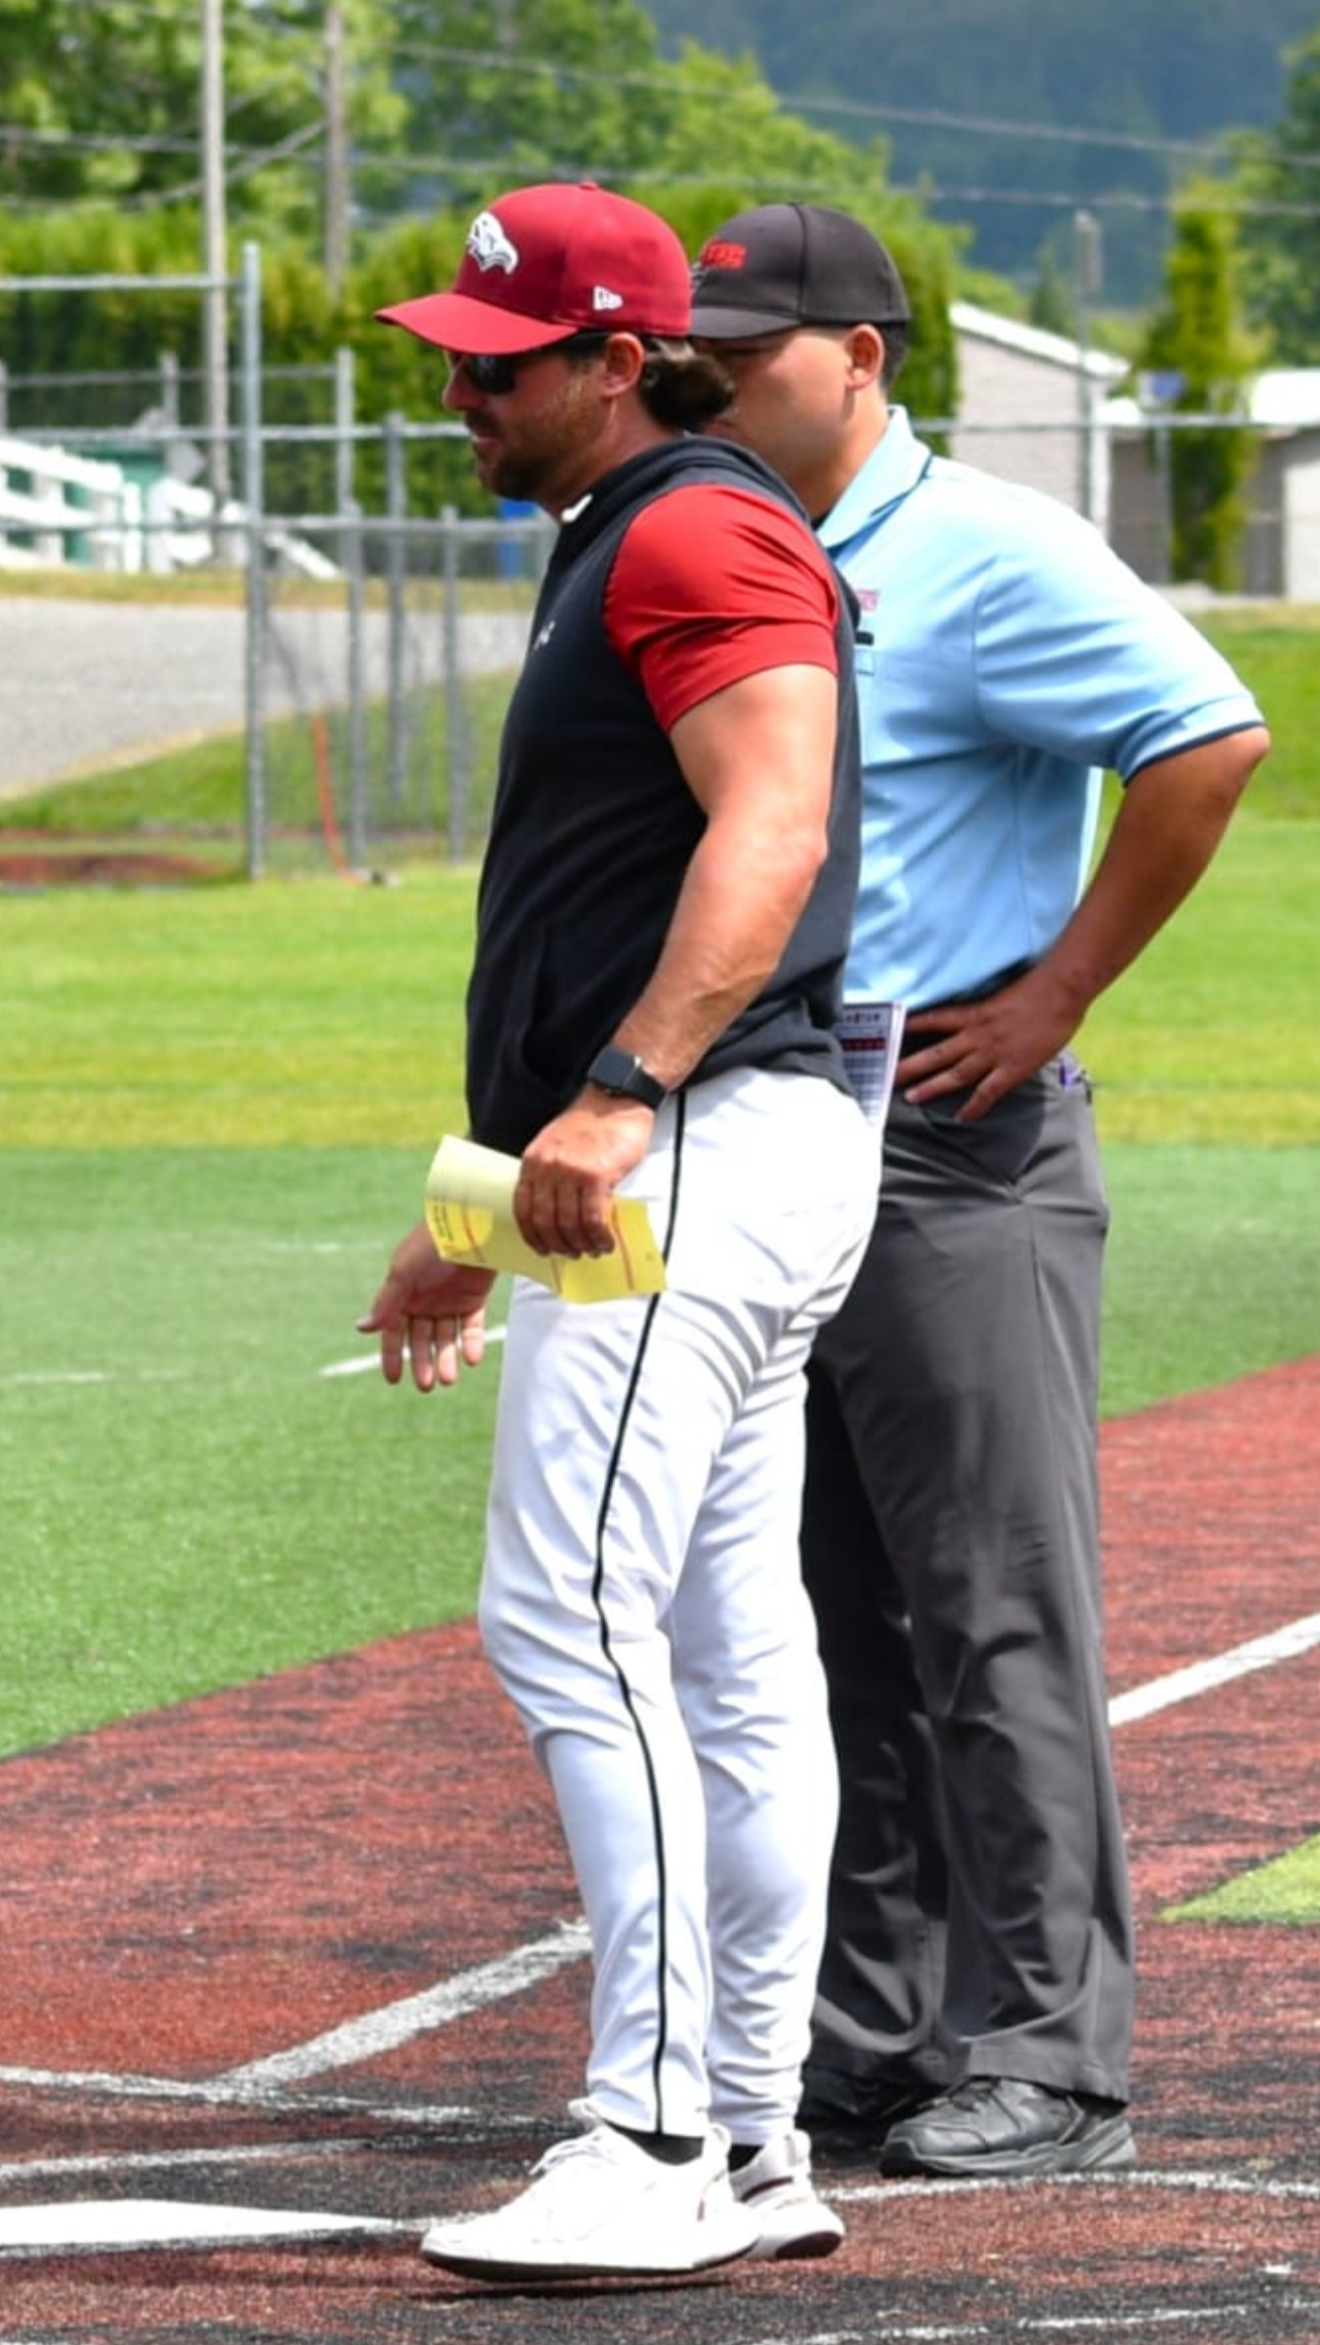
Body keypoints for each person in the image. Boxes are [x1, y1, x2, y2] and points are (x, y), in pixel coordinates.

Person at [689, 202, 1270, 2180]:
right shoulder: (754, 546)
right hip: (789, 1120)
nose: (713, 377)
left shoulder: (987, 544)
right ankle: (870, 2028)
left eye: (752, 347)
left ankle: (1047, 2052)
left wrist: (1061, 986)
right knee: (828, 1611)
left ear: (863, 353)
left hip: (955, 1126)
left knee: (996, 1615)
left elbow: (1205, 736)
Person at [358, 181, 877, 2282]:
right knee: (728, 1658)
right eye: (454, 355)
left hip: (709, 1143)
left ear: (614, 354)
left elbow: (775, 815)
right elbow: (600, 905)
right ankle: (749, 2138)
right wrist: (477, 1205)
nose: (461, 393)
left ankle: (654, 2129)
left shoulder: (692, 524)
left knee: (568, 1617)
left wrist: (622, 1095)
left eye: (500, 361)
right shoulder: (624, 534)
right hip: (709, 1150)